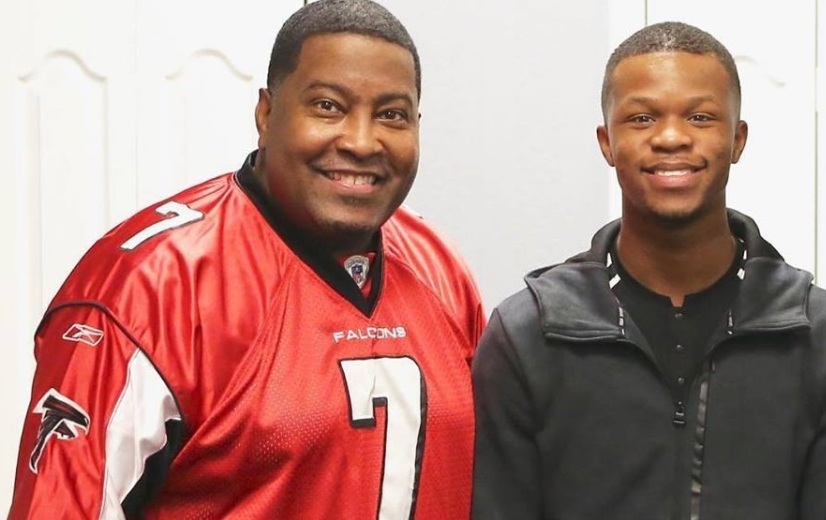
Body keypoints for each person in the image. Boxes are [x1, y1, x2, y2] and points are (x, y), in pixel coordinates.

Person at [8, 1, 485, 518]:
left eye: (391, 115)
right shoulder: (148, 285)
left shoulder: (438, 264)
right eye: (328, 106)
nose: (361, 141)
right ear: (266, 112)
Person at [472, 21, 826, 519]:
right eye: (643, 118)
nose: (671, 137)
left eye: (699, 116)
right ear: (607, 143)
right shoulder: (528, 336)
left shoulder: (825, 336)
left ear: (737, 140)